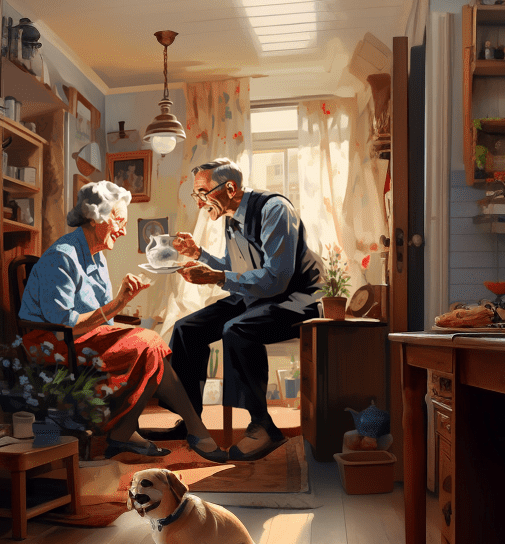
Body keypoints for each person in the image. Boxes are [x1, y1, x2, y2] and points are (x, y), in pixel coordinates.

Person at [18, 181, 226, 461]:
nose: (124, 230)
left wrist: (123, 303)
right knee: (150, 343)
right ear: (95, 217)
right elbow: (65, 324)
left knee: (150, 347)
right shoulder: (61, 257)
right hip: (52, 344)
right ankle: (181, 430)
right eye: (119, 220)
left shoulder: (98, 257)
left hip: (80, 338)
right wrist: (119, 303)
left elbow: (104, 318)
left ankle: (133, 432)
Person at [155, 158, 322, 462]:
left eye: (203, 193)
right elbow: (238, 271)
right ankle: (191, 420)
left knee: (238, 330)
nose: (200, 202)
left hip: (298, 296)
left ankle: (263, 425)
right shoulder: (233, 219)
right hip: (261, 295)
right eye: (196, 195)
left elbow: (276, 278)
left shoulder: (274, 210)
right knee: (186, 329)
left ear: (229, 188)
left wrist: (217, 276)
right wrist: (200, 255)